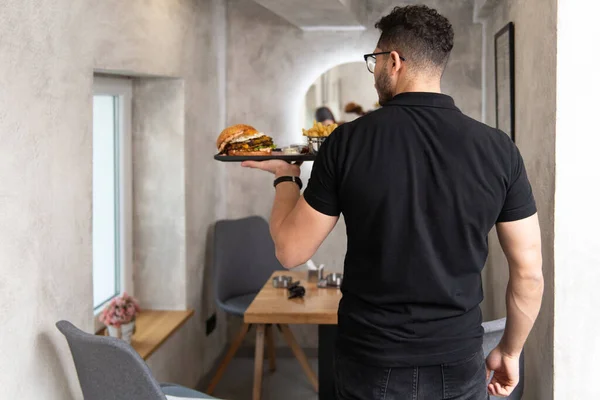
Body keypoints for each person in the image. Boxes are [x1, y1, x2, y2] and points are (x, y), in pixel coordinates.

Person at [242, 5, 543, 400]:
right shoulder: (499, 150)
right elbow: (529, 274)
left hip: (371, 358)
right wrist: (510, 350)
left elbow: (290, 250)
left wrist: (286, 178)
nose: (375, 73)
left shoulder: (347, 142)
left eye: (375, 62)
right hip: (457, 359)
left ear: (394, 61)